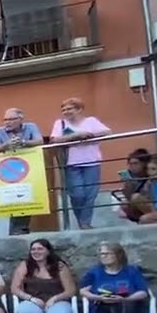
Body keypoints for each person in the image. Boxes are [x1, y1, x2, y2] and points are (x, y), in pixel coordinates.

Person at [49, 97, 111, 229]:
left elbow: (107, 132)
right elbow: (55, 140)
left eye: (69, 109)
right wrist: (76, 136)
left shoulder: (91, 121)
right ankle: (83, 222)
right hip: (71, 163)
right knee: (77, 194)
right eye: (63, 110)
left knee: (90, 194)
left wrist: (89, 135)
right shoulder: (60, 123)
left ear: (79, 109)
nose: (66, 112)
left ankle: (84, 223)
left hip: (92, 162)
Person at [0, 108, 43, 234]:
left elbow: (39, 141)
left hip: (29, 168)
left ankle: (20, 229)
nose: (7, 122)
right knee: (13, 199)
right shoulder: (0, 131)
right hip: (9, 169)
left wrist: (23, 142)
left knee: (27, 197)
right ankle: (17, 230)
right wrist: (7, 144)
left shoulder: (31, 127)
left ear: (20, 119)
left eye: (11, 119)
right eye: (5, 120)